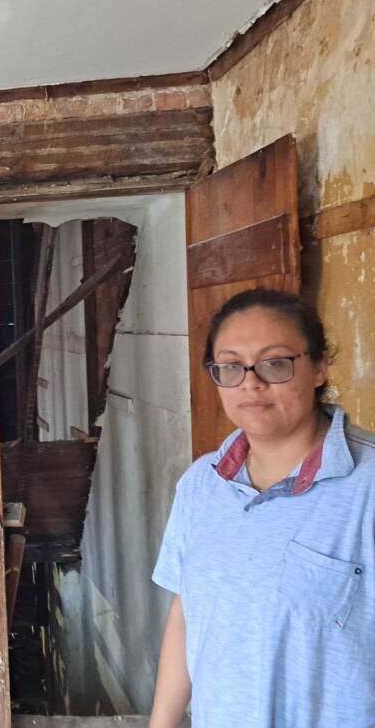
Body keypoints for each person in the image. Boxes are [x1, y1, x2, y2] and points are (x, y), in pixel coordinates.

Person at [149, 289, 375, 728]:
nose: (250, 383)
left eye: (275, 363)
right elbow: (186, 613)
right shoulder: (201, 484)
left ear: (319, 366)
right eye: (231, 366)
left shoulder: (367, 487)